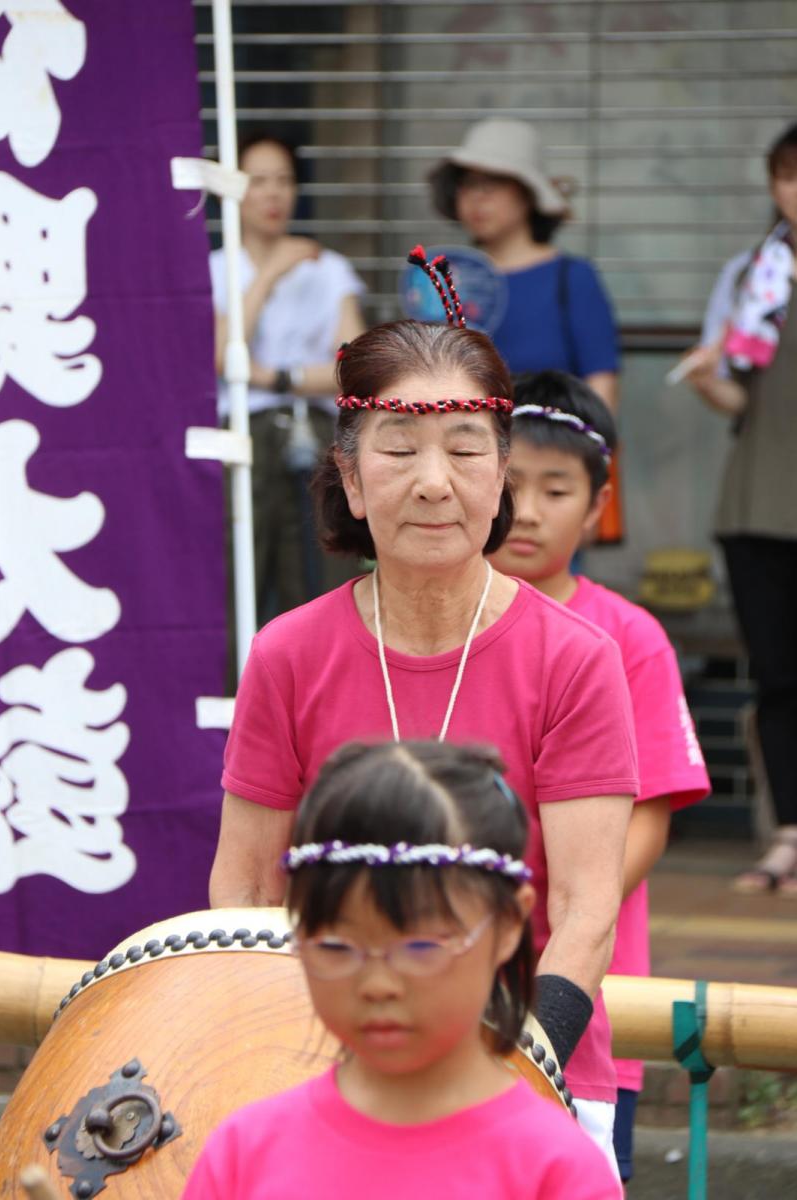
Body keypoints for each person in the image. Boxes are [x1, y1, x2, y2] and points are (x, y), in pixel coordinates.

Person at [210, 250, 639, 1164]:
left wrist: (521, 1066)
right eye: (399, 453)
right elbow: (244, 890)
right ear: (354, 482)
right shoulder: (287, 653)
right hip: (316, 1076)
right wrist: (275, 1059)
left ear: (500, 479)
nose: (434, 481)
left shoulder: (577, 659)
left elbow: (585, 907)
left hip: (531, 1075)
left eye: (465, 450)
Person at [185, 740, 622, 1199]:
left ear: (509, 923)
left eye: (419, 946)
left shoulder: (557, 1171)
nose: (377, 984)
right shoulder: (243, 1153)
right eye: (336, 945)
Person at [488, 371, 710, 1185]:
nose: (532, 510)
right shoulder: (434, 615)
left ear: (597, 501)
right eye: (512, 485)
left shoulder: (631, 637)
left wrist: (561, 908)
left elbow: (648, 819)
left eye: (557, 488)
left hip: (581, 1005)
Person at [681, 122, 797, 897]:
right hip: (760, 498)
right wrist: (701, 376)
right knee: (780, 676)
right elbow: (735, 396)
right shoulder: (753, 274)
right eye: (785, 176)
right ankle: (788, 836)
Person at [210, 129, 366, 624]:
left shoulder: (328, 269)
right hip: (240, 433)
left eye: (284, 180)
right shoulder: (214, 268)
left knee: (319, 572)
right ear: (234, 190)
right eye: (258, 181)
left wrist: (275, 377)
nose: (274, 193)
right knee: (239, 569)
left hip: (315, 432)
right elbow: (221, 356)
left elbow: (352, 370)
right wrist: (271, 273)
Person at [428, 118, 619, 414]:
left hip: (553, 451)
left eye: (493, 183)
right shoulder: (446, 280)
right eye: (467, 184)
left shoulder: (571, 278)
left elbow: (602, 386)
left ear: (528, 193)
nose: (477, 197)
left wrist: (585, 450)